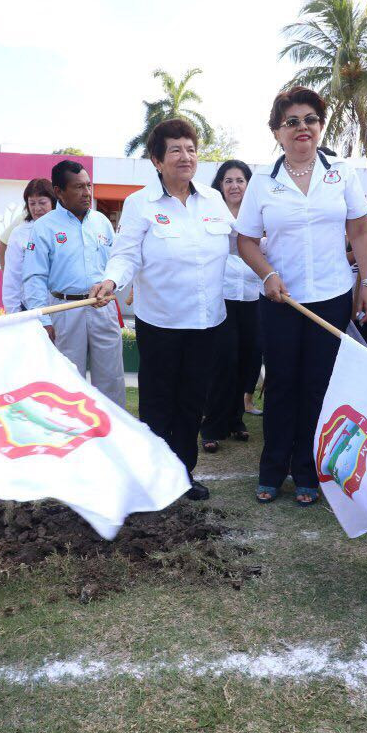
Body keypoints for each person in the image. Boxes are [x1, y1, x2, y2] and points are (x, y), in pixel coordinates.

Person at [235, 87, 367, 507]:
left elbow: (359, 230)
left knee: (317, 386)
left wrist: (366, 282)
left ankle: (308, 472)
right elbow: (245, 240)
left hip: (332, 296)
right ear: (277, 132)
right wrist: (268, 274)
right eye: (292, 121)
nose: (302, 128)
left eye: (310, 119)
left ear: (320, 126)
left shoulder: (342, 173)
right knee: (280, 385)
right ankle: (271, 469)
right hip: (281, 299)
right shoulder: (262, 180)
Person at [90, 119, 233, 501]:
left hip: (207, 322)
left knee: (192, 402)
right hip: (162, 324)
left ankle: (182, 473)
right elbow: (125, 255)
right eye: (175, 150)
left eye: (190, 149)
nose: (185, 157)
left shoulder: (214, 200)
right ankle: (151, 477)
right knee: (157, 403)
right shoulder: (140, 203)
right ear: (156, 160)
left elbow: (242, 245)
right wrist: (111, 282)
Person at [24, 160, 125, 406]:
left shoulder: (101, 222)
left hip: (103, 309)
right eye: (78, 187)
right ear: (59, 192)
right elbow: (33, 277)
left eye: (88, 186)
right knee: (67, 381)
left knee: (111, 378)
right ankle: (71, 437)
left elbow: (117, 263)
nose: (87, 193)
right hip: (64, 311)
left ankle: (111, 437)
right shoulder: (43, 227)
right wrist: (43, 320)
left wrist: (113, 287)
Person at [200, 159, 262, 453]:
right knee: (222, 362)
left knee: (248, 360)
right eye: (228, 181)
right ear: (220, 186)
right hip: (221, 296)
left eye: (240, 180)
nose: (235, 186)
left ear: (249, 185)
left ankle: (236, 420)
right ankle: (212, 427)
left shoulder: (259, 213)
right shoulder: (212, 213)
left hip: (253, 295)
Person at [0, 178, 57, 313]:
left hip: (61, 309)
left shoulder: (64, 230)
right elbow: (12, 278)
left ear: (53, 203)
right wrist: (13, 313)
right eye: (32, 203)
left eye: (42, 203)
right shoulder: (19, 233)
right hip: (30, 308)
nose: (37, 208)